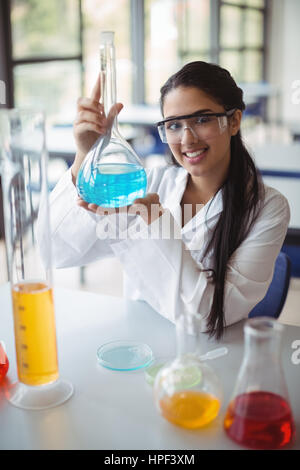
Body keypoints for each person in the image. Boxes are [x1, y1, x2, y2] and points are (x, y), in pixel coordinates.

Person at [42, 61, 290, 339]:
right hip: (140, 343)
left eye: (202, 119)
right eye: (174, 125)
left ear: (234, 121)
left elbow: (207, 316)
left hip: (211, 356)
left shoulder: (268, 208)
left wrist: (158, 223)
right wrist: (83, 156)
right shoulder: (150, 183)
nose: (187, 139)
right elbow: (54, 251)